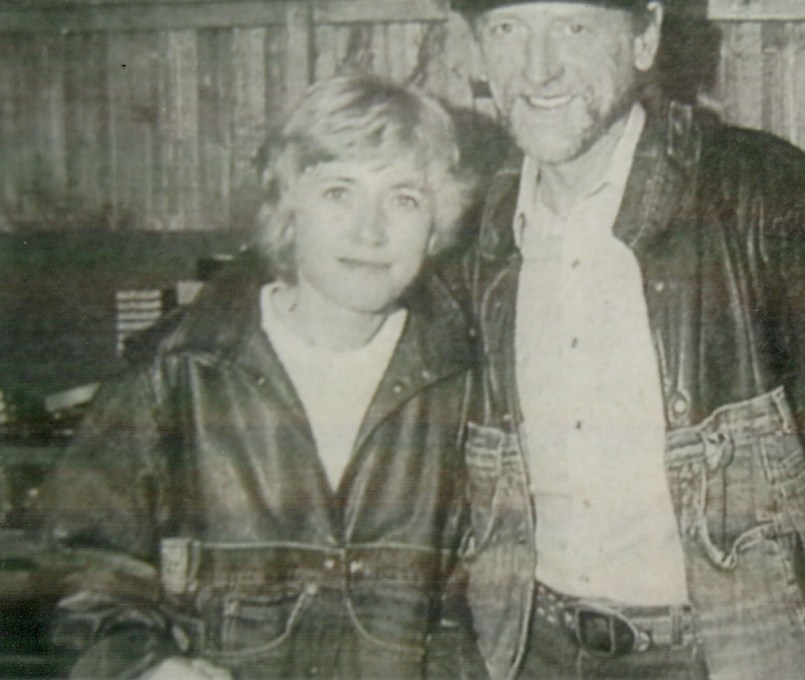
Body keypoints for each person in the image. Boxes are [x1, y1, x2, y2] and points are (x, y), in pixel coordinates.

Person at [446, 0, 805, 678]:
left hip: (737, 655)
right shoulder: (463, 235)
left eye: (574, 27)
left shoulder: (780, 204)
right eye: (508, 29)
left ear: (645, 37)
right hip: (525, 651)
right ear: (476, 51)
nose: (538, 69)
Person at [36, 72, 481, 680]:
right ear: (288, 207)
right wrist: (144, 664)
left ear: (437, 225)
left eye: (404, 198)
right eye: (339, 193)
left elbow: (485, 602)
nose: (370, 230)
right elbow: (78, 567)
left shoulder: (467, 381)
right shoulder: (176, 374)